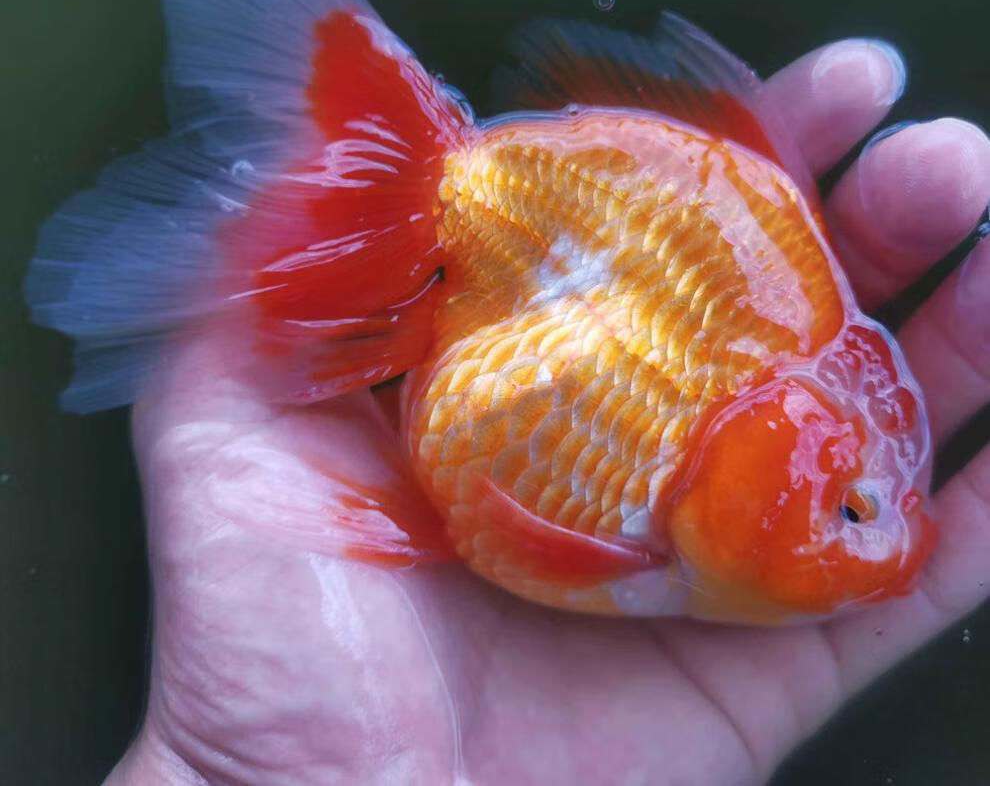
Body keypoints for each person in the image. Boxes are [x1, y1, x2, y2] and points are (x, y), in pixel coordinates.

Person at [104, 39, 990, 786]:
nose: (873, 536)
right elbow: (497, 525)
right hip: (532, 214)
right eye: (852, 508)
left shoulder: (763, 416)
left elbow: (489, 519)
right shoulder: (647, 537)